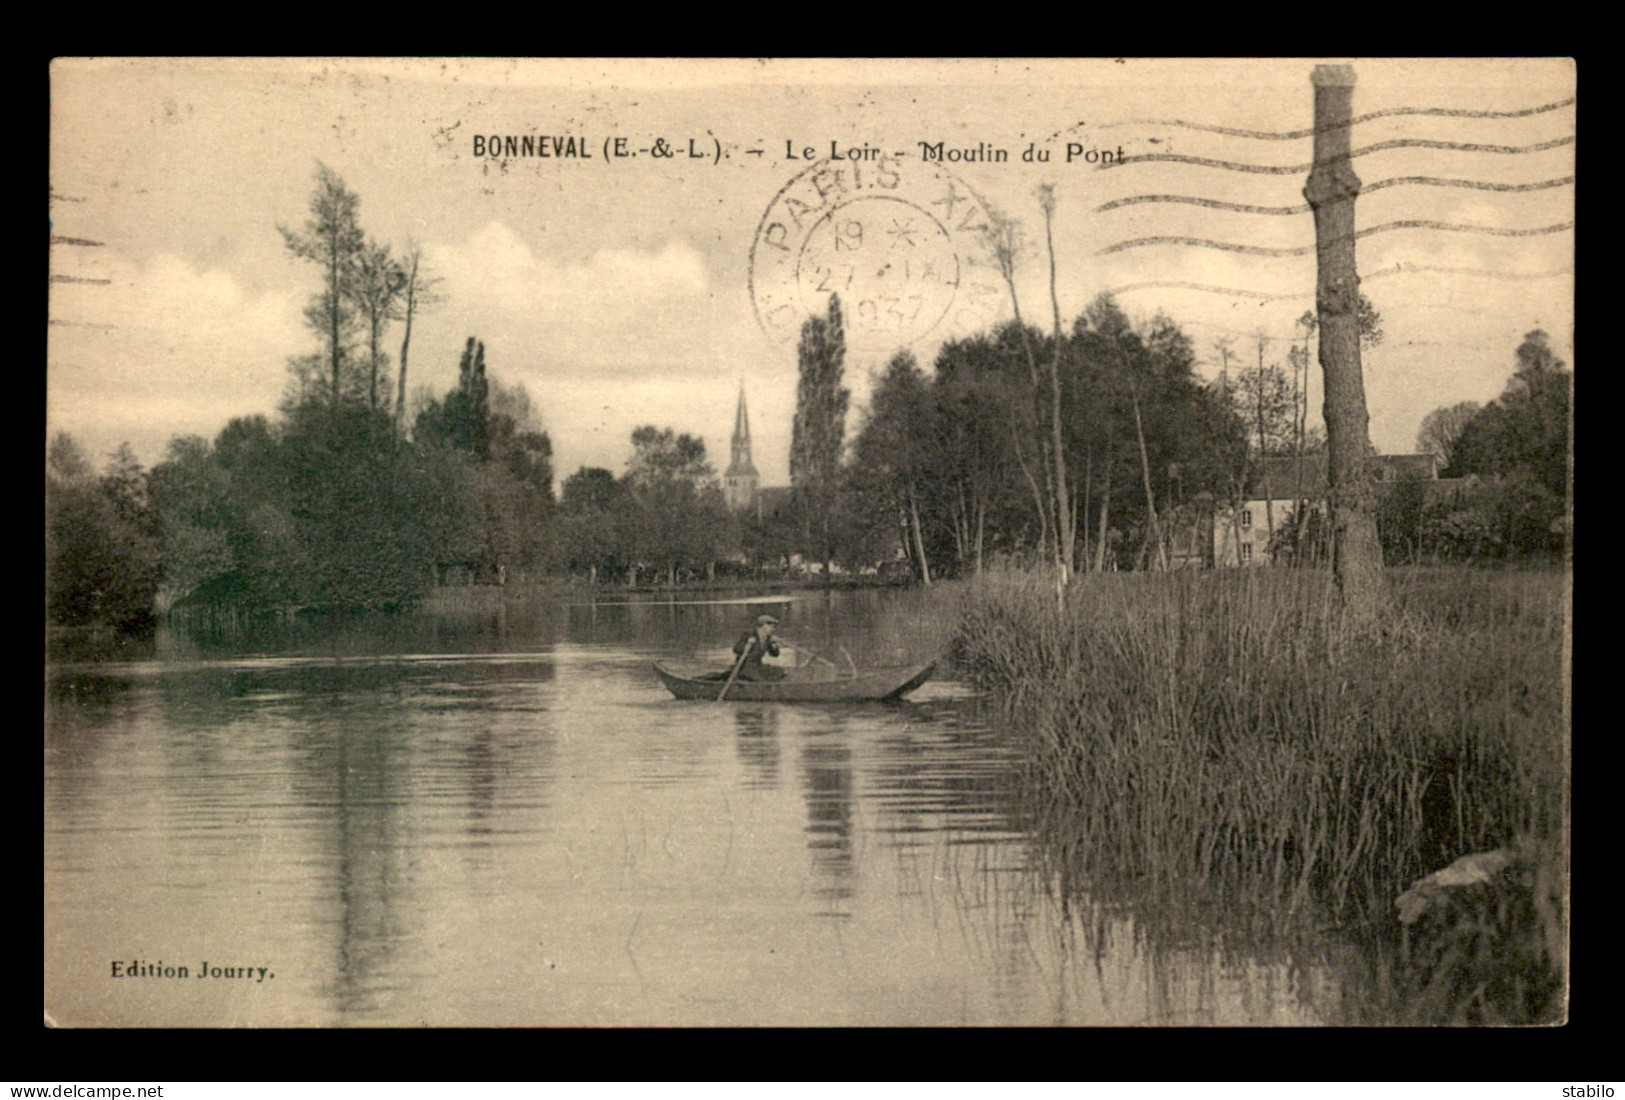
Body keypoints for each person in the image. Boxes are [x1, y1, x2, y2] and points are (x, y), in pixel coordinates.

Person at [731, 613, 785, 681]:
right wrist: (747, 644)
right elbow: (736, 649)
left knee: (780, 672)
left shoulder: (767, 638)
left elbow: (774, 654)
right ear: (763, 626)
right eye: (771, 627)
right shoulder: (749, 635)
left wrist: (774, 644)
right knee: (760, 680)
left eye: (774, 627)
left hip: (757, 666)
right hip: (744, 668)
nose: (773, 629)